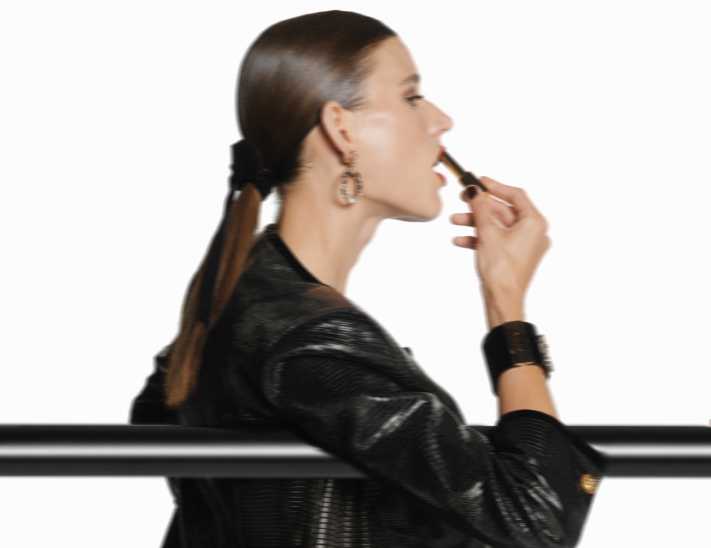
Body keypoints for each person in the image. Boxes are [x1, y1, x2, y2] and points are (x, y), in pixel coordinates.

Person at [129, 10, 605, 547]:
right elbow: (536, 520)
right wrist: (506, 304)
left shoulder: (244, 303)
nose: (441, 120)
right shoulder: (311, 340)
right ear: (341, 128)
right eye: (411, 96)